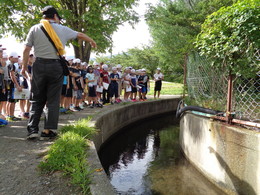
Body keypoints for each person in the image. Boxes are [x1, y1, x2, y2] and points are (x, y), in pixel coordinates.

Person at [22, 5, 97, 140]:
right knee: (53, 99)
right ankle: (48, 131)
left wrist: (23, 67)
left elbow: (26, 50)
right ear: (55, 16)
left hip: (38, 65)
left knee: (37, 98)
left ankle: (32, 130)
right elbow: (79, 34)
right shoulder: (62, 29)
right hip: (55, 65)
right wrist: (91, 40)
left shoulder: (34, 28)